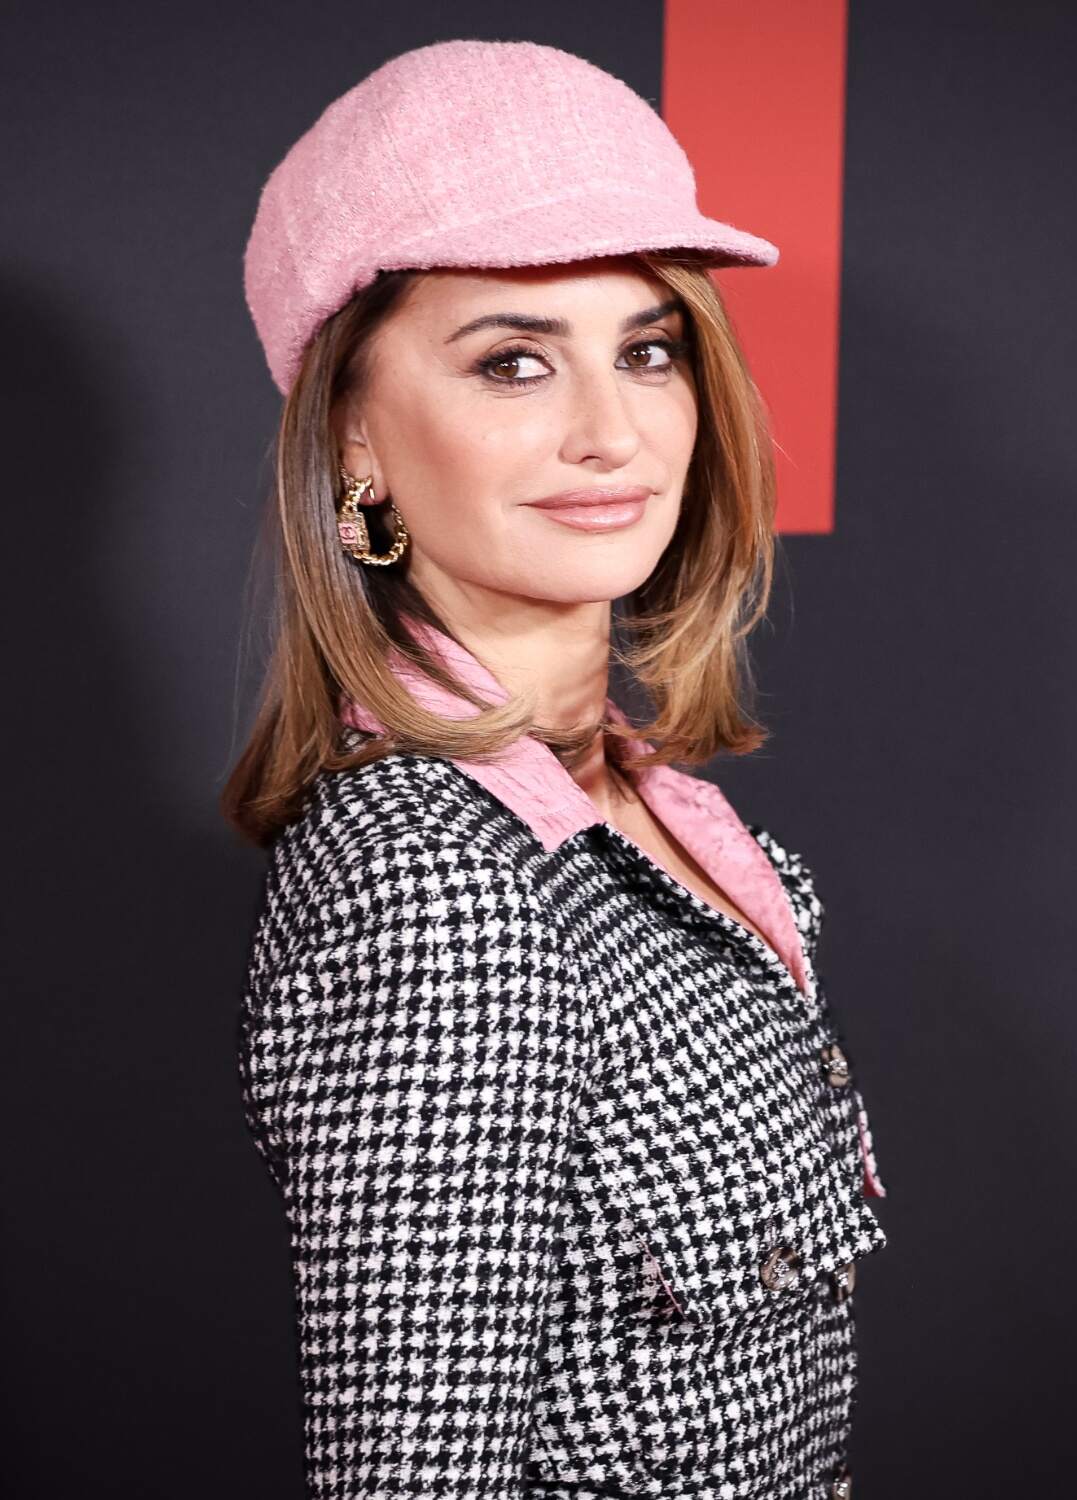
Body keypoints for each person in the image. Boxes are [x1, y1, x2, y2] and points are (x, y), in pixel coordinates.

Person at [224, 41, 883, 1499]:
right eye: (513, 362)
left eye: (648, 350)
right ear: (355, 440)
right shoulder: (428, 883)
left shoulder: (675, 824)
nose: (613, 432)